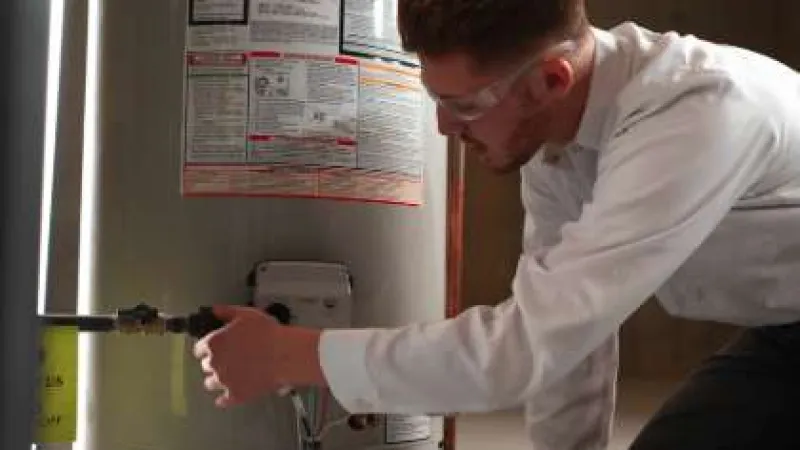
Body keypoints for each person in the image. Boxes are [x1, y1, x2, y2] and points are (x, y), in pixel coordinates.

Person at [193, 0, 800, 448]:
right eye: (438, 102)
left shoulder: (694, 114)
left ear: (550, 80)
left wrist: (295, 356)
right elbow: (566, 344)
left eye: (464, 106)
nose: (445, 131)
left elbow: (519, 349)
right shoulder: (556, 140)